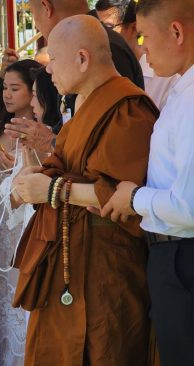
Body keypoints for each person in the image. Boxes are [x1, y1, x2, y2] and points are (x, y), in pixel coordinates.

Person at [12, 15, 158, 365]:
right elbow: (70, 167)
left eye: (54, 62)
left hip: (104, 267)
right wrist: (41, 174)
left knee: (103, 349)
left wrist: (52, 190)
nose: (47, 72)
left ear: (82, 59)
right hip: (69, 257)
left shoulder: (127, 108)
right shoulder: (83, 106)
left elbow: (123, 197)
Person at [100, 1, 194, 364]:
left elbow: (189, 205)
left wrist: (134, 198)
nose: (141, 48)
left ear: (177, 32)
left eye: (145, 36)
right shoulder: (181, 89)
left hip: (182, 257)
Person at [0, 0, 144, 147]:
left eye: (54, 59)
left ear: (46, 7)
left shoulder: (98, 44)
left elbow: (110, 145)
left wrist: (51, 142)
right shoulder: (87, 39)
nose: (49, 69)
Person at [0, 59, 42, 366]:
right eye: (4, 87)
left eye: (15, 88)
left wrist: (10, 165)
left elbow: (41, 182)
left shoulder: (43, 134)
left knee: (20, 298)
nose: (7, 94)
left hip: (24, 227)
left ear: (34, 92)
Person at [96, 0, 179, 110]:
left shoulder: (166, 77)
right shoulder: (101, 71)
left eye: (109, 27)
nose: (103, 35)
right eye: (98, 28)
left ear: (134, 28)